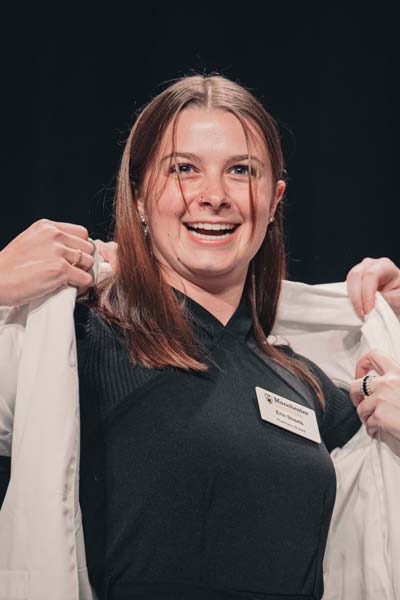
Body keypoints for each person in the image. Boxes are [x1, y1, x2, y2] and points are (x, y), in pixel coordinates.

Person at [1, 74, 400, 600]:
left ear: (274, 198)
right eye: (183, 169)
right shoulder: (74, 341)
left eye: (241, 171)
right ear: (140, 195)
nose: (213, 196)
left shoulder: (303, 382)